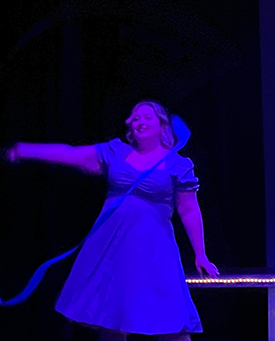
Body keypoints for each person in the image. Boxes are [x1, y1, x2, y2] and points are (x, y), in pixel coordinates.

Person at [4, 100, 218, 341]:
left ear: (162, 125)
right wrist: (24, 150)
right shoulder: (116, 152)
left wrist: (201, 254)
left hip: (154, 248)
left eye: (147, 117)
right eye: (135, 118)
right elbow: (71, 154)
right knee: (111, 316)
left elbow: (188, 209)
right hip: (112, 245)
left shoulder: (177, 164)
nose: (140, 122)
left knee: (169, 318)